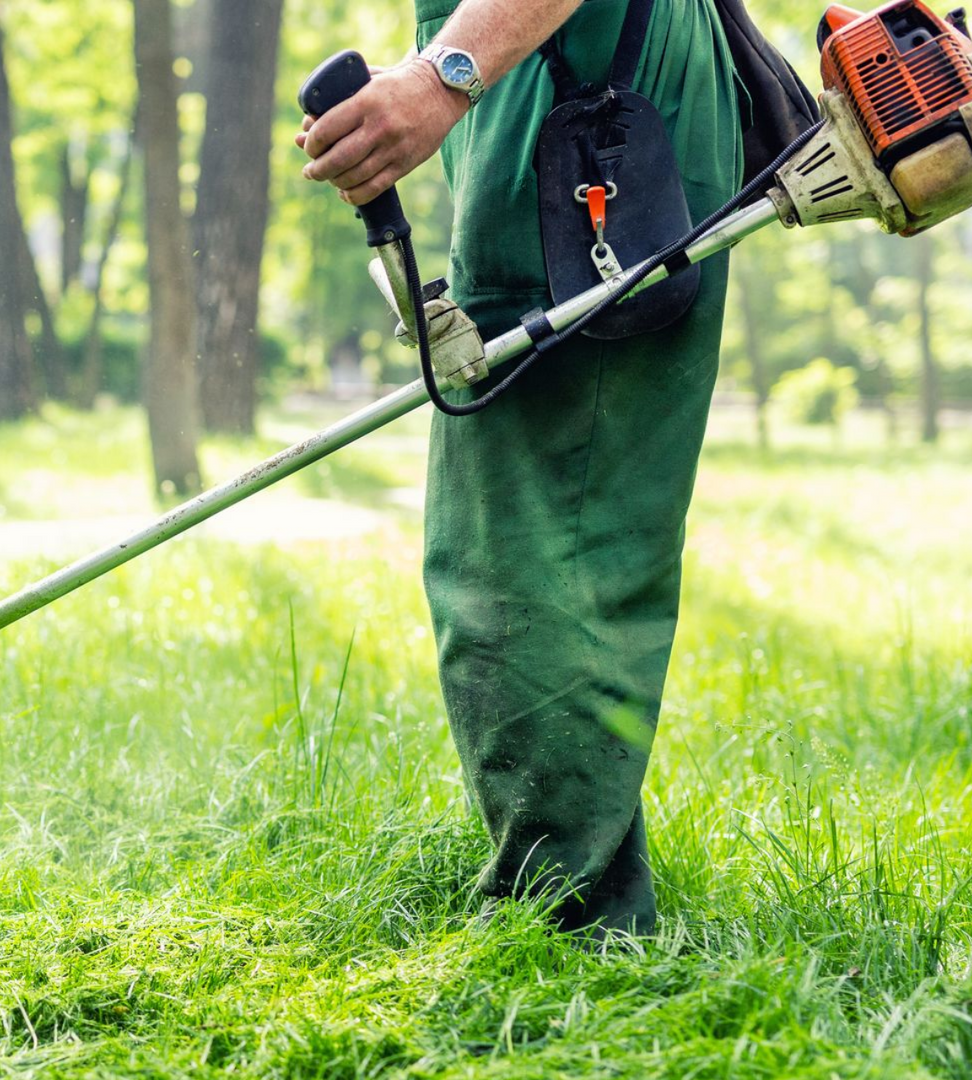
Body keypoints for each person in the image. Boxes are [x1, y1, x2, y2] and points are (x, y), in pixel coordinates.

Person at [296, 0, 743, 939]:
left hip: (582, 87)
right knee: (545, 524)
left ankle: (570, 923)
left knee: (530, 535)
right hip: (561, 73)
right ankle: (583, 893)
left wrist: (442, 75)